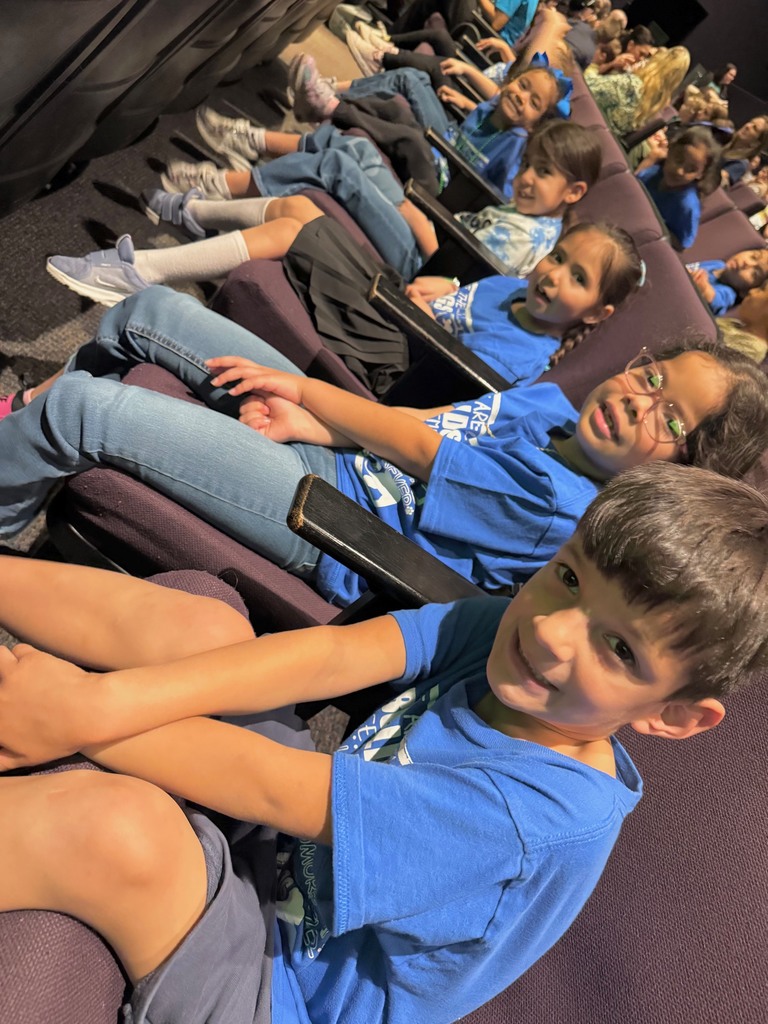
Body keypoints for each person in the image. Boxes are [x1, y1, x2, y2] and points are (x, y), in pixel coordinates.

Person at [2, 461, 768, 1024]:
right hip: (277, 860)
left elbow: (281, 788)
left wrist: (82, 713)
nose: (550, 630)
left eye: (619, 649)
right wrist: (92, 703)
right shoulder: (504, 630)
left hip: (280, 996)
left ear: (673, 716)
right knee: (203, 629)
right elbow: (329, 658)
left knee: (116, 833)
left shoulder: (539, 814)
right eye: (567, 577)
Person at [1, 286, 767, 604]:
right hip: (338, 458)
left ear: (684, 476)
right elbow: (419, 431)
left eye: (670, 422)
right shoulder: (548, 410)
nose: (639, 401)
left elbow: (427, 457)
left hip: (336, 527)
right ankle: (20, 430)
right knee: (151, 309)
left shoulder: (563, 510)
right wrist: (319, 423)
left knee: (86, 411)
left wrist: (308, 398)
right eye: (652, 377)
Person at [44, 119, 601, 324]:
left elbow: (460, 270)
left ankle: (210, 192)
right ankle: (188, 215)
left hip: (419, 264)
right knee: (351, 150)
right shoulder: (532, 225)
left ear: (573, 191)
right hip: (429, 246)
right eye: (528, 166)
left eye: (542, 173)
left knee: (338, 166)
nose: (525, 178)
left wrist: (412, 213)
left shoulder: (533, 242)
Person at [635, 126, 721, 250]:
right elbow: (632, 188)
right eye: (679, 159)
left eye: (691, 169)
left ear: (700, 174)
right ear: (670, 150)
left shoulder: (687, 206)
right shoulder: (655, 171)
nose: (680, 171)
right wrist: (651, 159)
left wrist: (656, 227)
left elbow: (682, 244)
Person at [586, 46, 690, 137]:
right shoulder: (656, 104)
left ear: (657, 61)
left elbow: (588, 85)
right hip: (603, 136)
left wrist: (599, 64)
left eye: (648, 57)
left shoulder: (633, 85)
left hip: (587, 124)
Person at [687, 248, 768, 316]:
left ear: (745, 292)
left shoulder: (728, 294)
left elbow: (713, 298)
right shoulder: (719, 264)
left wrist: (703, 287)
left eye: (755, 273)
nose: (746, 263)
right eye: (754, 256)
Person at [719, 114, 768, 187]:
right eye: (751, 122)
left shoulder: (741, 164)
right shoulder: (725, 137)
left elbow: (716, 181)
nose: (748, 126)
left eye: (754, 128)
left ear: (756, 143)